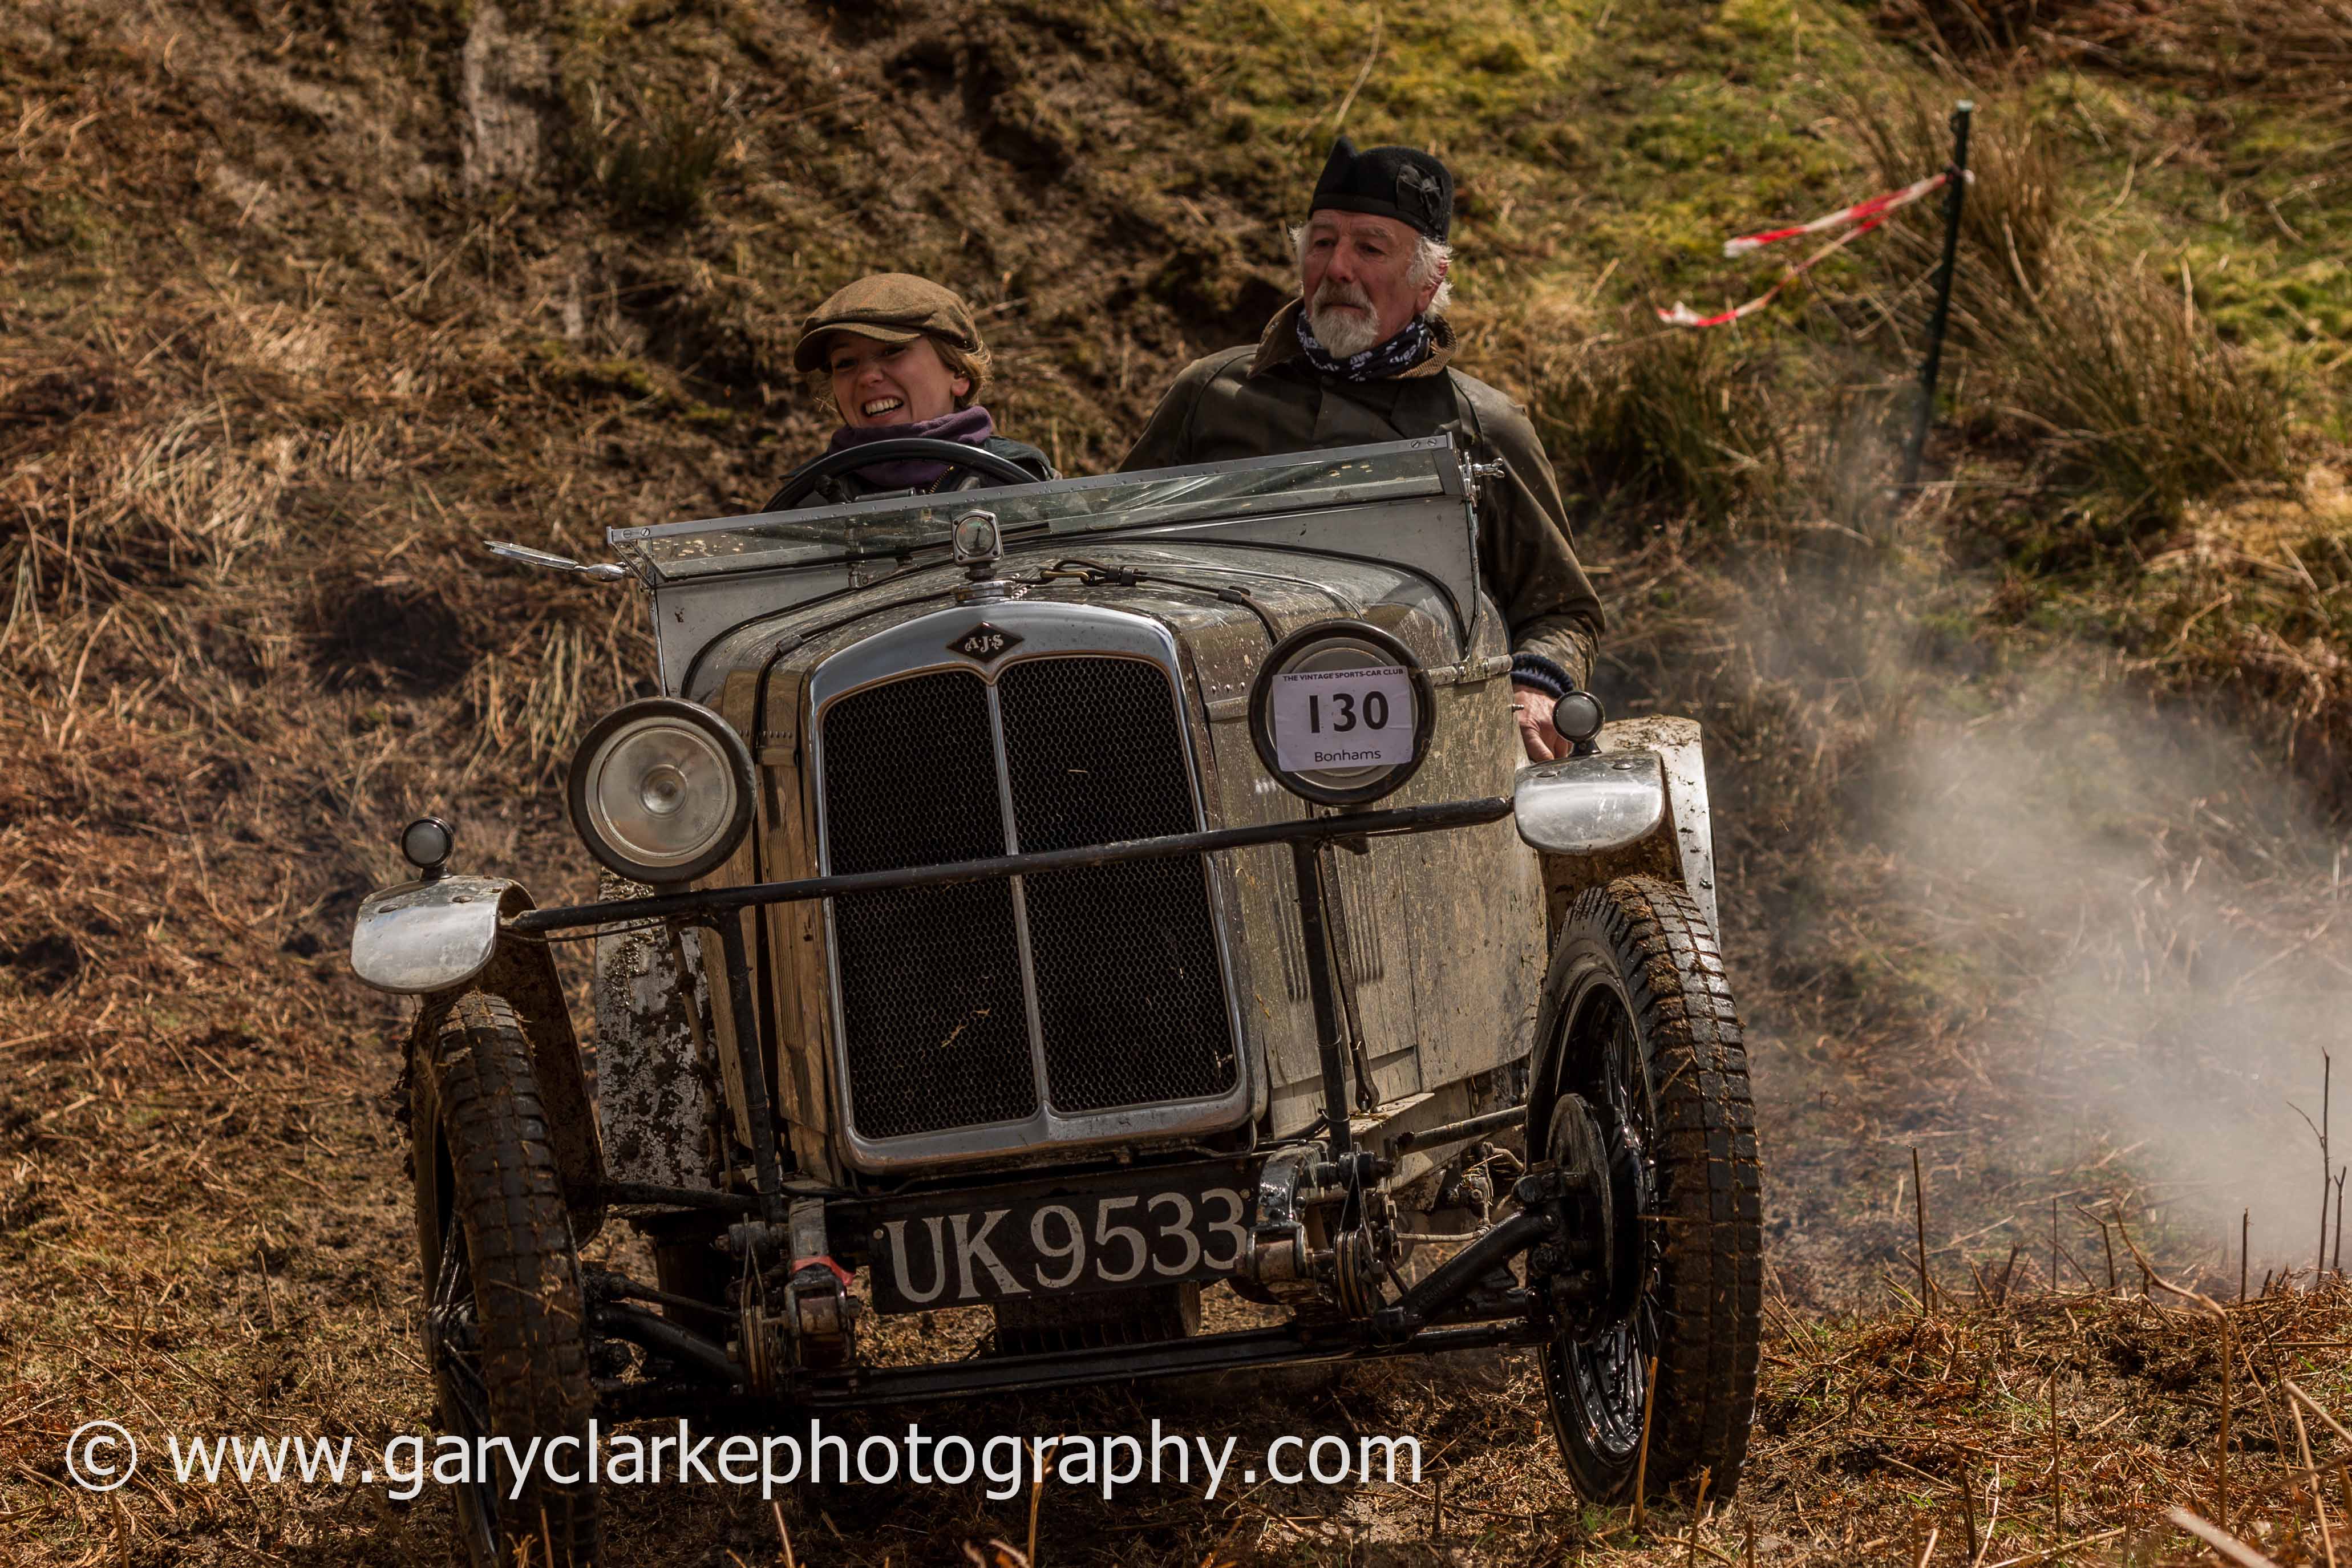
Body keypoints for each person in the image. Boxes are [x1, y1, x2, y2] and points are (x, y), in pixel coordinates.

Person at [1119, 139, 1604, 762]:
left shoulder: (1485, 428)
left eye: (1369, 248)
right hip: (1219, 739)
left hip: (1420, 754)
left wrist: (1536, 686)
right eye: (1322, 243)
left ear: (1428, 281)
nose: (1338, 268)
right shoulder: (1211, 395)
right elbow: (1116, 560)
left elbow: (1562, 610)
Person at [785, 273, 1056, 505]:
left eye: (892, 351)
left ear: (959, 373)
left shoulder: (1019, 480)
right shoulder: (805, 498)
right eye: (845, 363)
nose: (867, 377)